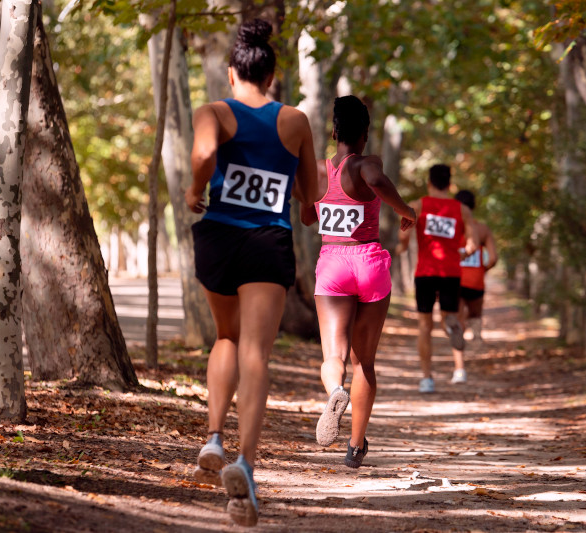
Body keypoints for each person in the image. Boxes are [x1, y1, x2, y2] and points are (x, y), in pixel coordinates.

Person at [184, 19, 317, 527]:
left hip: (219, 237)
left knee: (226, 338)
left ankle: (213, 437)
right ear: (272, 75)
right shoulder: (296, 121)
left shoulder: (214, 111)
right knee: (258, 351)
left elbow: (204, 154)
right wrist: (304, 208)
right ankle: (246, 464)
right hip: (267, 242)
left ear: (232, 72)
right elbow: (310, 199)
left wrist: (198, 189)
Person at [301, 95, 416, 468]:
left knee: (334, 355)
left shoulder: (318, 170)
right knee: (364, 360)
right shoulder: (368, 163)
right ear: (365, 133)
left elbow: (306, 216)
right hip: (368, 262)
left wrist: (318, 202)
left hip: (332, 263)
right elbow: (378, 181)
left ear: (333, 131)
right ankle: (354, 447)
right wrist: (405, 210)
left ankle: (336, 390)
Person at [396, 164, 476, 392]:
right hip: (451, 272)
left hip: (426, 273)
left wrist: (401, 247)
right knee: (450, 319)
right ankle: (458, 367)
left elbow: (404, 238)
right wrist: (462, 252)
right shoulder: (462, 210)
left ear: (429, 182)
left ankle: (426, 378)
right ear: (450, 184)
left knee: (424, 326)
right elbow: (470, 245)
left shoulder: (418, 206)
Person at [455, 189, 497, 343]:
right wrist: (482, 269)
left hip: (455, 279)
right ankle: (477, 342)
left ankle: (458, 345)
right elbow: (493, 258)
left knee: (457, 315)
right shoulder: (483, 230)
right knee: (476, 314)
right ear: (473, 206)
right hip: (476, 281)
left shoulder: (451, 228)